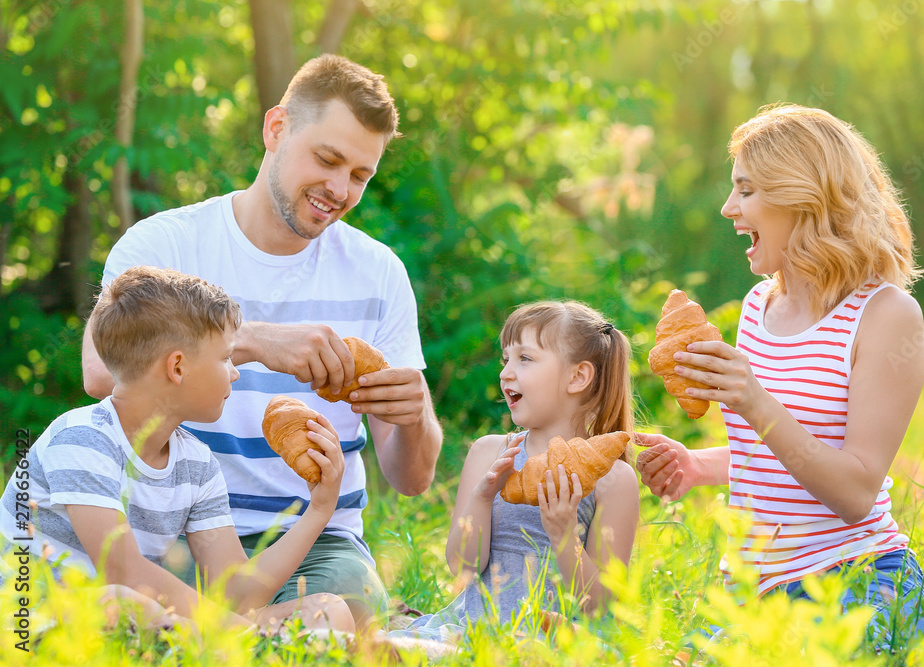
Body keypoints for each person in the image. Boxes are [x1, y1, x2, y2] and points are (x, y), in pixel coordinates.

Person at [79, 54, 443, 626]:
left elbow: (413, 479)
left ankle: (205, 636)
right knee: (106, 611)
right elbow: (101, 372)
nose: (339, 189)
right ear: (276, 129)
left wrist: (416, 417)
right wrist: (246, 340)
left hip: (315, 546)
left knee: (345, 614)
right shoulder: (166, 244)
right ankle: (244, 636)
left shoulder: (379, 273)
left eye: (360, 176)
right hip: (168, 527)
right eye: (327, 159)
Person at [636, 104, 924, 650]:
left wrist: (752, 399)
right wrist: (695, 465)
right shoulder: (759, 305)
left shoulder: (887, 315)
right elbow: (781, 455)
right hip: (754, 592)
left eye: (746, 190)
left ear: (804, 198)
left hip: (855, 580)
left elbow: (854, 491)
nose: (729, 208)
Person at [1, 266, 353, 634]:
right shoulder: (81, 438)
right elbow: (123, 570)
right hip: (32, 626)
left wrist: (320, 508)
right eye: (224, 358)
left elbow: (235, 594)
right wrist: (240, 631)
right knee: (123, 602)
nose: (234, 372)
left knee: (329, 611)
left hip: (146, 627)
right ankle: (255, 647)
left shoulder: (196, 464)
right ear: (178, 367)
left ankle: (250, 647)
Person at [389, 301, 640, 641]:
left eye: (524, 358)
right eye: (505, 359)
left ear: (577, 376)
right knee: (391, 649)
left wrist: (564, 534)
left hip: (554, 639)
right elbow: (462, 568)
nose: (505, 373)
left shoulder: (614, 479)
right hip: (472, 627)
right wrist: (482, 497)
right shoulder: (489, 452)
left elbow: (599, 607)